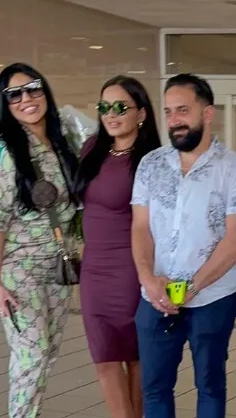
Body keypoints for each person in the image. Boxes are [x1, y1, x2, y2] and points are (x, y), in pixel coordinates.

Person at [131, 73, 236, 418]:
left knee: (210, 386)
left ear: (207, 113)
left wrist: (192, 287)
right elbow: (140, 227)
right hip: (155, 297)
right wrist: (147, 279)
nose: (174, 120)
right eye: (169, 112)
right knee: (155, 389)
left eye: (183, 110)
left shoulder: (233, 168)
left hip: (211, 298)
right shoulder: (151, 164)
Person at [0, 63, 79, 417]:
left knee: (46, 354)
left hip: (57, 268)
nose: (26, 98)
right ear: (4, 103)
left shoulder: (63, 142)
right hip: (19, 270)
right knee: (33, 354)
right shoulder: (4, 150)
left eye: (33, 88)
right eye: (14, 94)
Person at [74, 75, 162, 418]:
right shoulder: (91, 149)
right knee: (105, 359)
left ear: (141, 113)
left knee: (136, 359)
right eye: (104, 106)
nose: (111, 114)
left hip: (130, 270)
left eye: (121, 107)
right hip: (93, 272)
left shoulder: (151, 160)